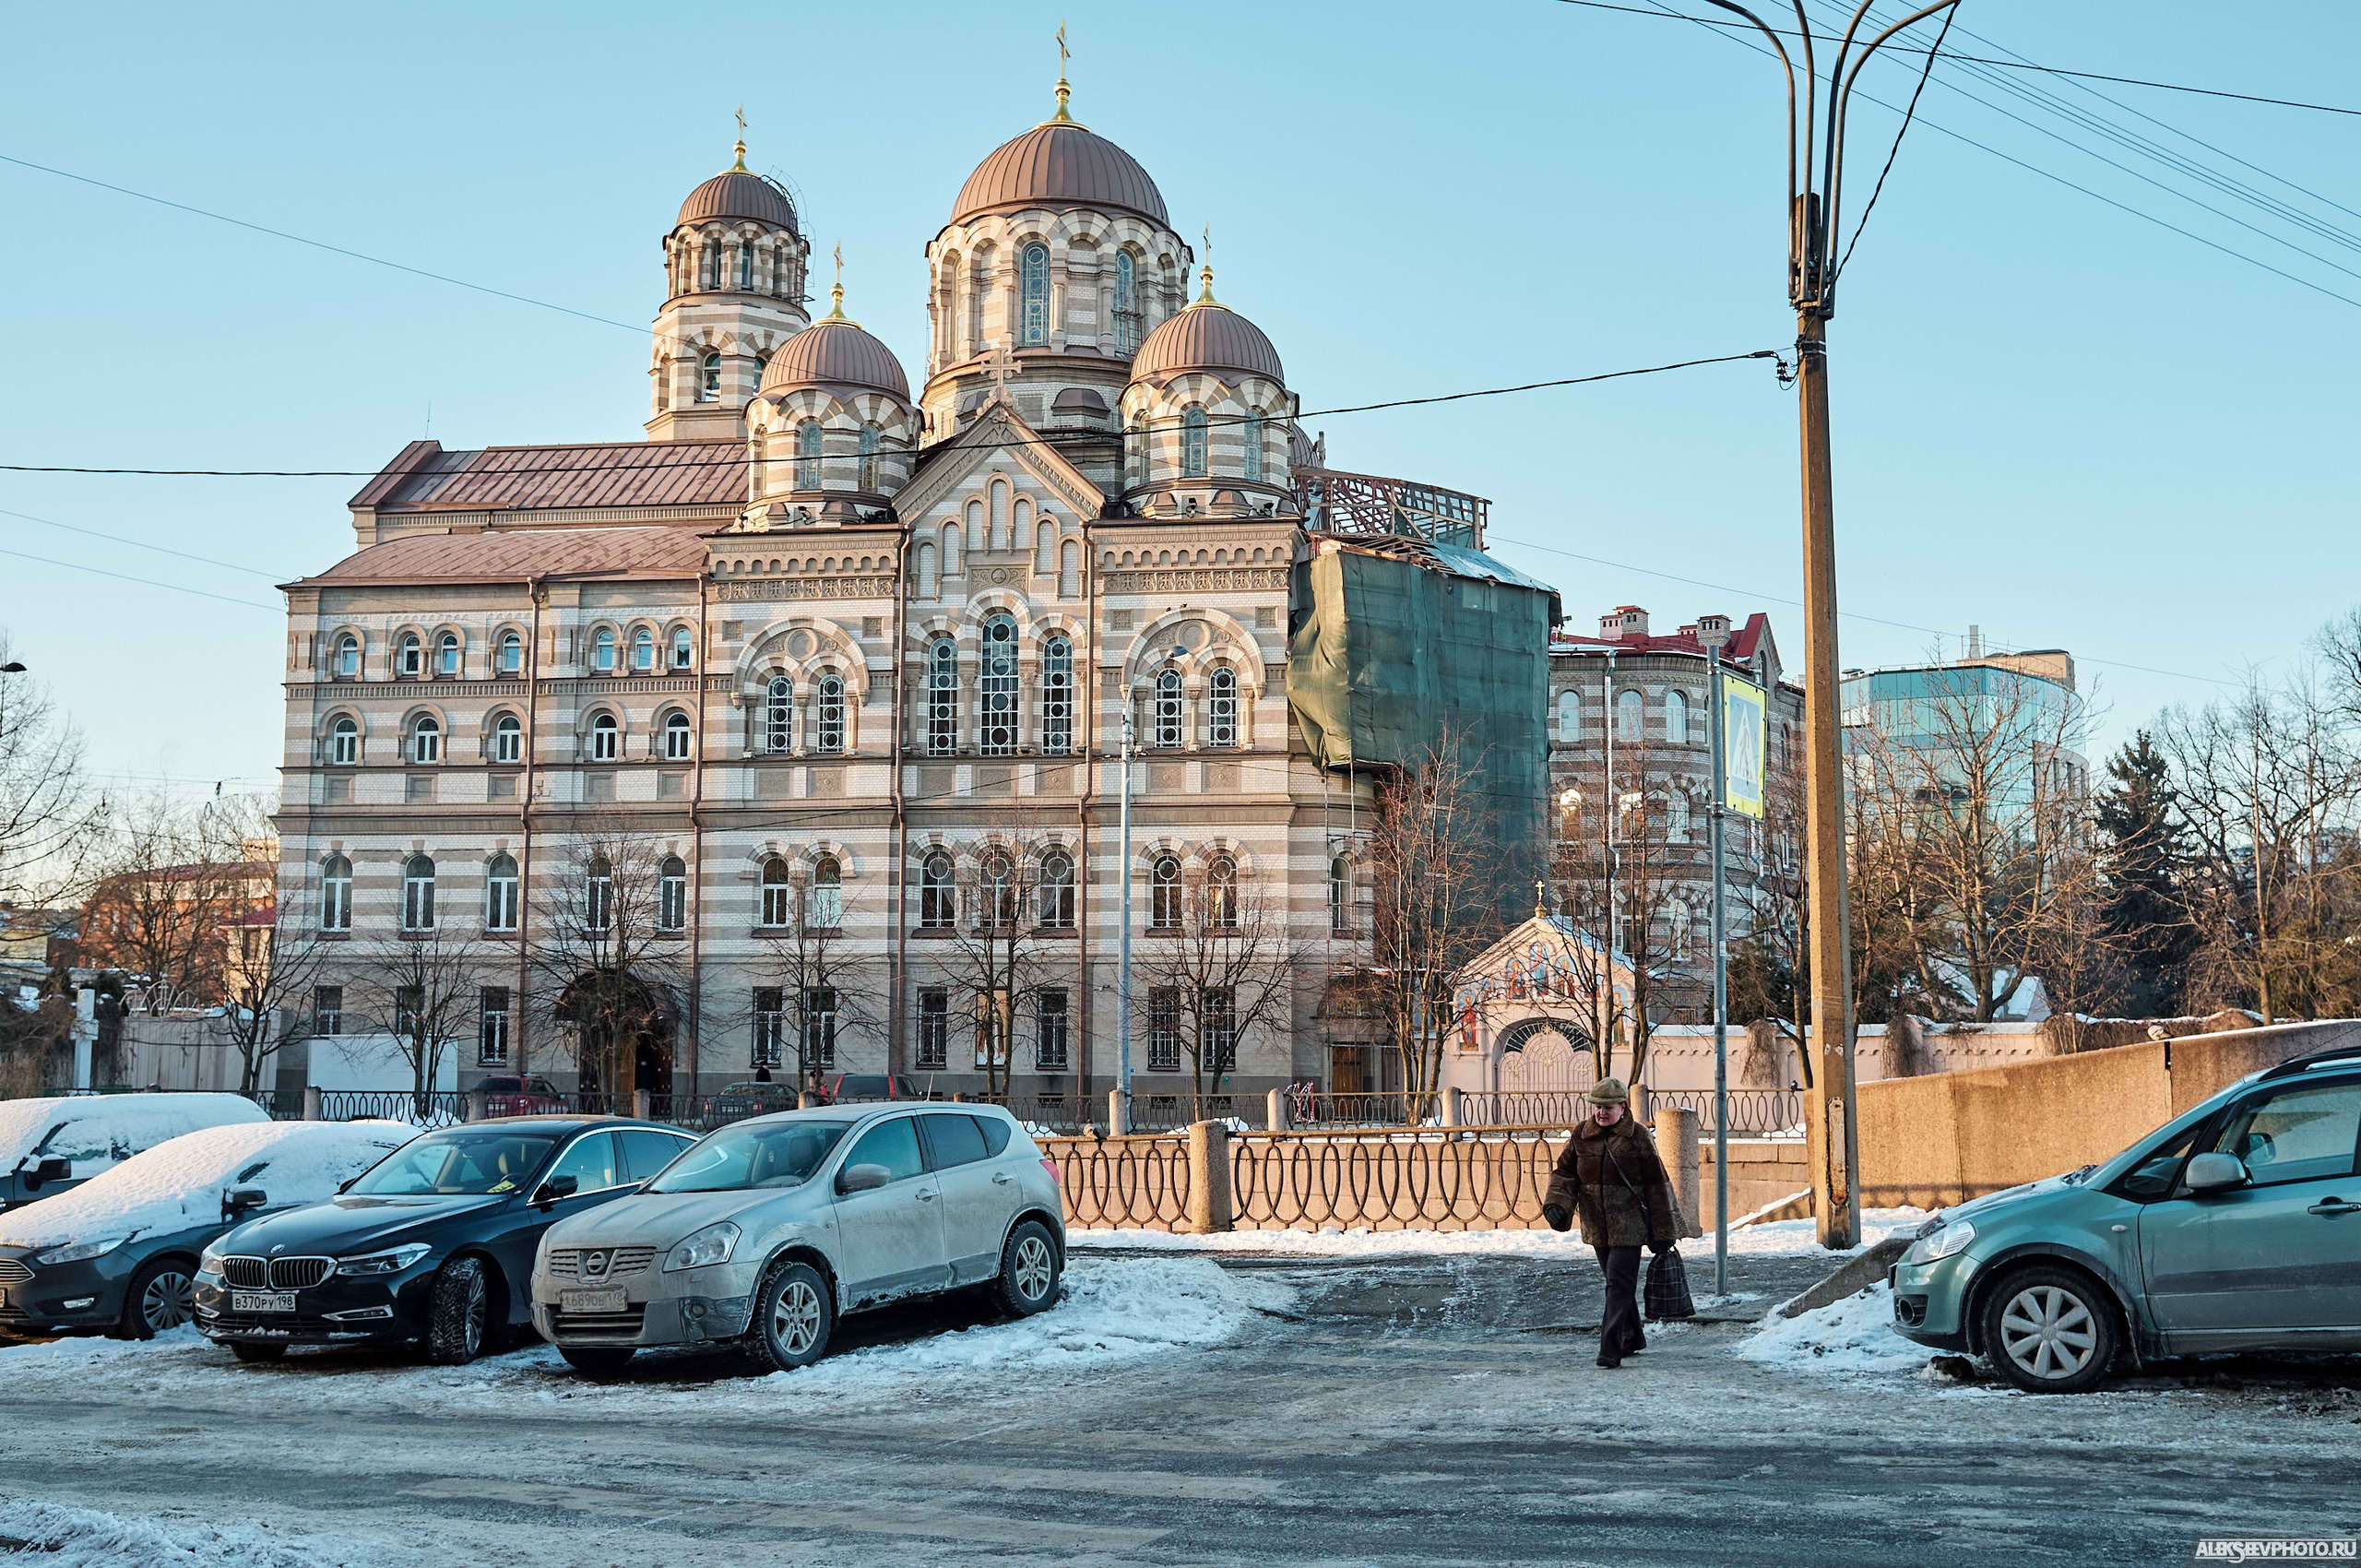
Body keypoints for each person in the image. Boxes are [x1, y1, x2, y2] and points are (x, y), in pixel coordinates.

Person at [1540, 1077, 1677, 1370]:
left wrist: (1663, 1230)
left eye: (1608, 1107)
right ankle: (1633, 1338)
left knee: (1617, 1285)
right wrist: (1557, 1206)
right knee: (1618, 1285)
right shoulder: (1581, 1134)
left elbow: (1657, 1185)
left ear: (1623, 1107)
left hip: (1630, 1227)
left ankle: (1610, 1349)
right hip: (1597, 1226)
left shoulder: (1638, 1136)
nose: (1601, 1113)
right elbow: (1564, 1174)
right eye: (1597, 1107)